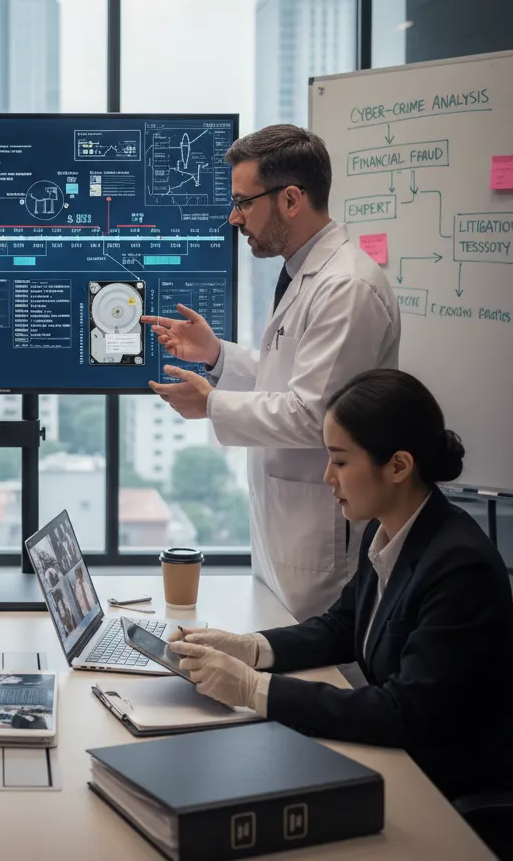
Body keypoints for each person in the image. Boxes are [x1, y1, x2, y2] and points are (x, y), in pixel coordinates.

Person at [167, 370, 513, 802]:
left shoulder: (461, 568)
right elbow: (341, 626)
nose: (328, 476)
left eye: (341, 460)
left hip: (441, 790)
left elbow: (403, 712)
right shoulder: (386, 529)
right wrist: (248, 647)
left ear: (398, 466)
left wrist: (253, 689)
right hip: (398, 763)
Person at [144, 125, 400, 619]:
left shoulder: (345, 287)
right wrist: (217, 356)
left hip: (320, 539)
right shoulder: (304, 275)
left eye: (243, 202)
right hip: (287, 532)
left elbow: (315, 414)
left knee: (324, 678)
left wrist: (212, 404)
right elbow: (291, 381)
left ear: (290, 199)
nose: (234, 218)